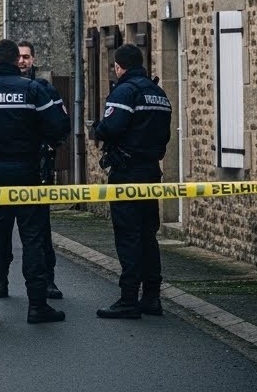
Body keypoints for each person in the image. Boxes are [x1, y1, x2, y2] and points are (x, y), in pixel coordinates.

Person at [0, 39, 68, 324]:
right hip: (26, 173)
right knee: (32, 239)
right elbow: (57, 127)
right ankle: (37, 305)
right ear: (16, 59)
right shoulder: (33, 90)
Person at [93, 44, 172, 319]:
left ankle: (128, 298)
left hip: (128, 172)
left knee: (128, 235)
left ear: (118, 66)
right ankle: (151, 296)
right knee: (148, 235)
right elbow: (165, 136)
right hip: (151, 171)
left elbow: (111, 127)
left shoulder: (125, 91)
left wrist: (98, 128)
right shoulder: (158, 93)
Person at [0, 41, 65, 300]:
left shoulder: (44, 89)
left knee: (39, 232)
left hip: (37, 167)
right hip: (11, 169)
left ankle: (47, 281)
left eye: (27, 57)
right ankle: (0, 281)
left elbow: (60, 126)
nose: (22, 61)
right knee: (0, 233)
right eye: (19, 57)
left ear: (33, 59)